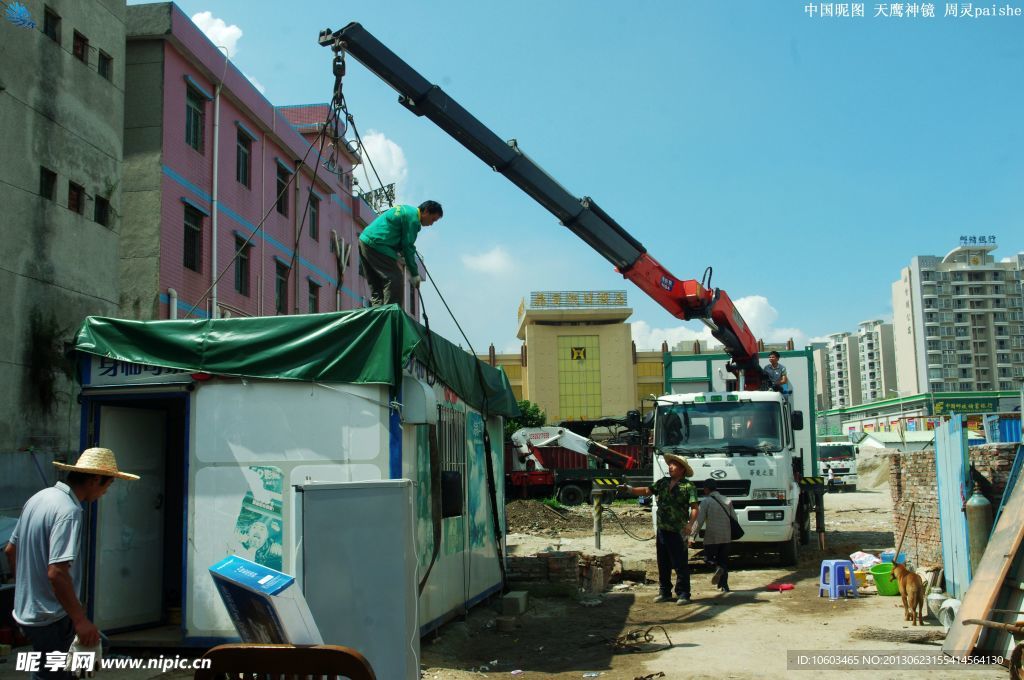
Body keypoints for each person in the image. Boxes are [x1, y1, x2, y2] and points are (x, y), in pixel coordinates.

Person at [3, 448, 138, 680]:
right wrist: (80, 619)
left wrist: (27, 592)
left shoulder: (39, 498)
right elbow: (57, 572)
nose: (106, 492)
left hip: (29, 613)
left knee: (63, 663)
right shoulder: (69, 511)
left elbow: (10, 550)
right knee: (61, 672)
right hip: (51, 617)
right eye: (108, 485)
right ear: (95, 479)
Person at [619, 454, 699, 604]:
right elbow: (646, 491)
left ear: (682, 469)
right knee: (663, 562)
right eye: (670, 465)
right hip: (662, 529)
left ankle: (684, 594)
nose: (670, 467)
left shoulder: (688, 486)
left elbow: (695, 508)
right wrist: (629, 489)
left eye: (674, 465)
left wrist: (690, 525)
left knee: (680, 563)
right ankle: (665, 592)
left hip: (678, 530)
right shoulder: (662, 483)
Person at [358, 200, 443, 310]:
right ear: (426, 211)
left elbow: (402, 244)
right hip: (378, 244)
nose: (431, 224)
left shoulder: (407, 209)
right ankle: (390, 315)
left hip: (364, 241)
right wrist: (414, 273)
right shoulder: (413, 219)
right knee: (395, 280)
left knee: (377, 287)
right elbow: (408, 246)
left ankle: (378, 317)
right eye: (433, 219)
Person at [687, 479, 737, 594]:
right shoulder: (727, 501)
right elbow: (734, 518)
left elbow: (699, 521)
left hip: (712, 537)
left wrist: (691, 536)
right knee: (723, 561)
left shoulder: (706, 502)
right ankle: (724, 586)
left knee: (708, 559)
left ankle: (717, 567)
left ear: (706, 489)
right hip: (726, 536)